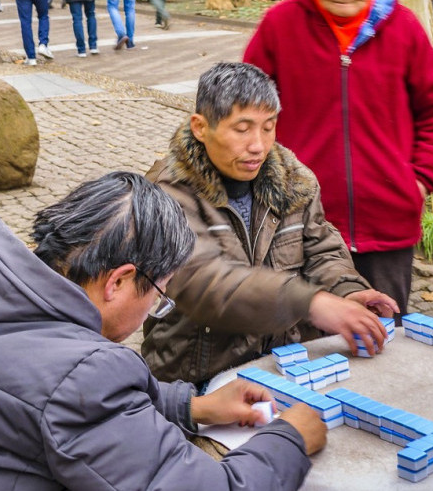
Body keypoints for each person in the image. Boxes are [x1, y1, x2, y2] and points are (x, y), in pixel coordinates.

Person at [0, 171, 325, 490]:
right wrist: (288, 439)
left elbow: (46, 410)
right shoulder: (83, 375)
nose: (154, 308)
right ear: (118, 281)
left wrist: (194, 405)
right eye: (158, 295)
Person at [243, 0, 433, 315]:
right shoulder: (280, 26)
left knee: (384, 333)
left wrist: (420, 179)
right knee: (305, 335)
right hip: (301, 222)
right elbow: (247, 108)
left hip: (387, 223)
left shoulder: (403, 28)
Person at [143, 62, 399, 386]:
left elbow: (323, 249)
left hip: (285, 369)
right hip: (196, 377)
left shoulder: (295, 181)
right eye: (242, 128)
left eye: (268, 127)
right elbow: (204, 282)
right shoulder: (167, 193)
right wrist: (312, 302)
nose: (258, 145)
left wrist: (345, 292)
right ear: (200, 127)